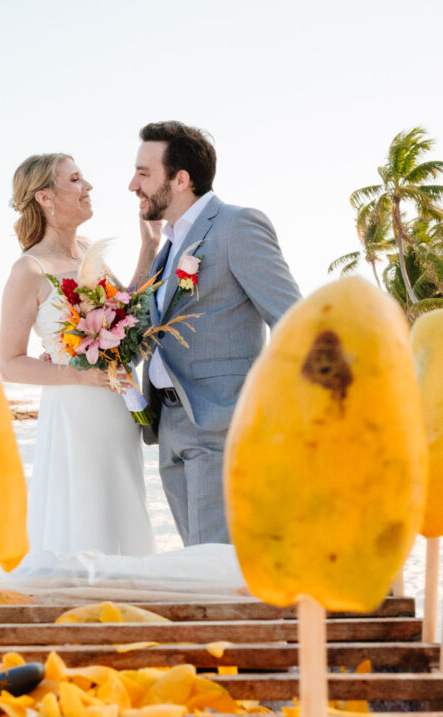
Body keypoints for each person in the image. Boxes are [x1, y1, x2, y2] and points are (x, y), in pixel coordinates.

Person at [130, 121, 301, 545]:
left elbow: (294, 321)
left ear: (181, 179)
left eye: (144, 173)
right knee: (198, 563)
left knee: (218, 570)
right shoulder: (167, 245)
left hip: (221, 423)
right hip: (169, 424)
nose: (133, 184)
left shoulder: (236, 227)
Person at [0, 153, 158, 560]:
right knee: (86, 512)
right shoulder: (28, 271)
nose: (88, 187)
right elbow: (9, 362)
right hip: (76, 411)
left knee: (123, 501)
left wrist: (149, 246)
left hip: (117, 407)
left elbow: (129, 311)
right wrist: (79, 375)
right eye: (75, 179)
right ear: (46, 197)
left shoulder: (88, 250)